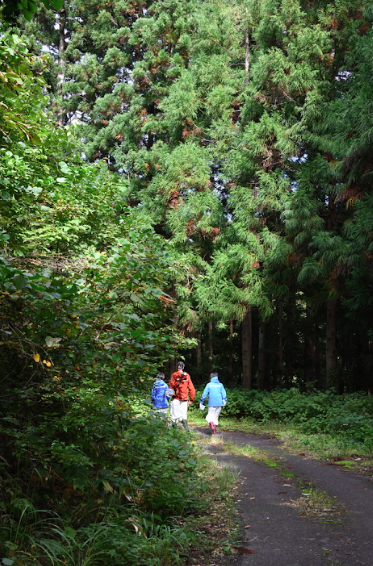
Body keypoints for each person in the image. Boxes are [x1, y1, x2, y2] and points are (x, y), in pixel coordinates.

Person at [168, 361, 195, 430]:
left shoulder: (174, 375)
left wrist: (168, 397)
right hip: (184, 398)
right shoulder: (187, 375)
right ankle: (187, 432)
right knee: (183, 415)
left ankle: (175, 433)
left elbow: (170, 387)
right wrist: (191, 399)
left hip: (175, 398)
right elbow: (191, 388)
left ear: (176, 367)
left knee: (174, 416)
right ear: (183, 367)